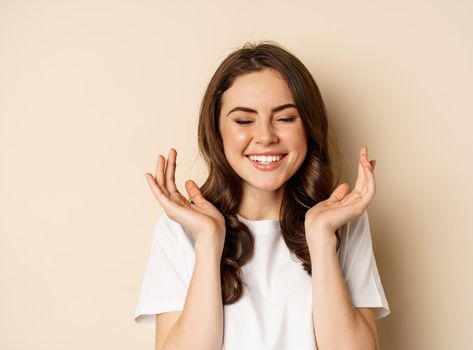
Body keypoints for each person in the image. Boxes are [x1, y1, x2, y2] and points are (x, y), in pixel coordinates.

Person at [134, 41, 390, 350]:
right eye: (243, 120)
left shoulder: (343, 224)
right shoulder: (179, 230)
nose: (266, 136)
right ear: (216, 131)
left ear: (308, 126)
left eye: (285, 118)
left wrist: (321, 236)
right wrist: (209, 239)